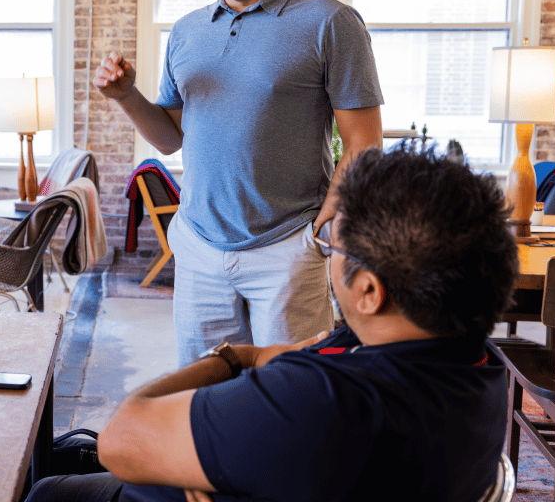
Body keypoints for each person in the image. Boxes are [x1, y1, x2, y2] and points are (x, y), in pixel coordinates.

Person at [27, 145, 516, 502]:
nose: (327, 256)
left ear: (369, 291)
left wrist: (234, 355)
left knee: (47, 487)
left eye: (331, 245)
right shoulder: (478, 365)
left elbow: (121, 439)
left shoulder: (321, 403)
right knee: (65, 453)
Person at [94, 0, 385, 365]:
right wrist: (126, 95)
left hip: (286, 246)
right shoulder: (187, 30)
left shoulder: (330, 23)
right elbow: (170, 139)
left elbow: (364, 143)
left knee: (290, 396)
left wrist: (321, 226)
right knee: (204, 391)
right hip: (198, 245)